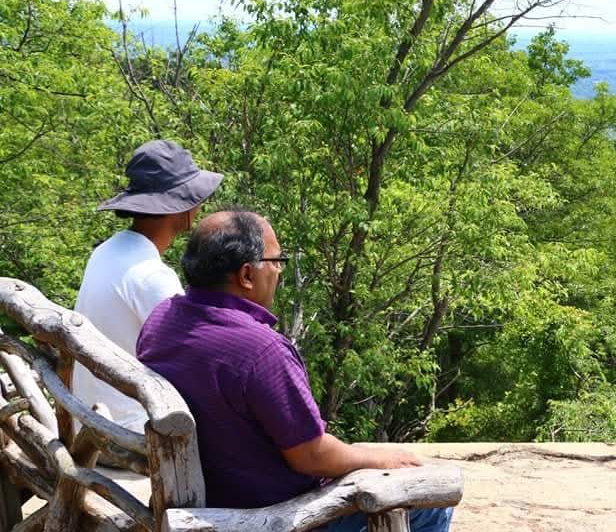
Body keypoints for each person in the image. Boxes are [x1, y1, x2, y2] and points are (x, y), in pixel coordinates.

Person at [136, 209, 452, 531]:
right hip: (268, 516)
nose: (279, 272)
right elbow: (311, 455)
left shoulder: (162, 320)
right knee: (431, 504)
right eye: (276, 261)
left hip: (210, 494)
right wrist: (380, 459)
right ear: (247, 275)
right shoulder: (261, 351)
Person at [72, 140, 222, 431]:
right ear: (181, 206)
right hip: (127, 429)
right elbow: (195, 359)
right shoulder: (152, 276)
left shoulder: (106, 250)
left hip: (90, 420)